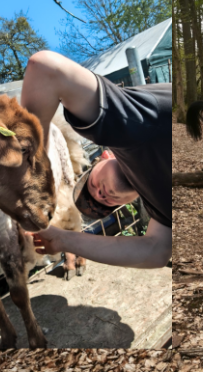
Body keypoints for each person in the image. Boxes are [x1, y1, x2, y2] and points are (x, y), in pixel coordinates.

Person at [21, 50, 172, 269]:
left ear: (104, 156)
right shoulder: (159, 206)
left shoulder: (125, 132)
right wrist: (62, 239)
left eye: (92, 186)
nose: (101, 195)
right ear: (130, 201)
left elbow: (46, 68)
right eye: (106, 204)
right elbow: (156, 253)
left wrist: (32, 175)